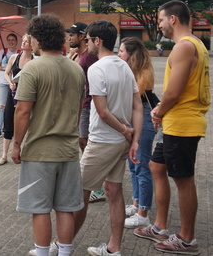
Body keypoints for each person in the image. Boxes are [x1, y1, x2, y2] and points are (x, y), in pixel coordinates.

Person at [134, 0, 211, 255]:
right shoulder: (194, 44)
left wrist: (157, 110)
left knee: (183, 178)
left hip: (182, 124)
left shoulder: (184, 47)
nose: (160, 25)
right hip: (175, 123)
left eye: (161, 20)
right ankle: (160, 226)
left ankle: (187, 238)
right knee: (157, 166)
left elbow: (173, 92)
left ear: (173, 20)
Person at [11, 15, 85, 256]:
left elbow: (23, 112)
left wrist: (16, 144)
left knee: (40, 209)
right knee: (65, 208)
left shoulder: (32, 68)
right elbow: (77, 110)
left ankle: (42, 252)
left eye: (30, 37)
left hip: (40, 151)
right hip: (69, 150)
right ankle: (64, 253)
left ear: (37, 39)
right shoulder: (76, 69)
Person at [73, 20, 143, 256]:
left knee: (78, 192)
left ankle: (62, 244)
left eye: (88, 39)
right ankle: (114, 248)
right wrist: (133, 140)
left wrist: (126, 132)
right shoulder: (124, 66)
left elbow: (102, 111)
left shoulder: (96, 69)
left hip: (103, 141)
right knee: (114, 191)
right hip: (121, 143)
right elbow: (137, 106)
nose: (86, 42)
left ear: (97, 41)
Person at [117, 37, 158, 229]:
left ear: (132, 55)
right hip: (131, 117)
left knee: (142, 166)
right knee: (133, 165)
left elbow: (135, 94)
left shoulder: (143, 72)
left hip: (144, 118)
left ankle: (143, 213)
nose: (119, 54)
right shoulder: (127, 70)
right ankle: (135, 203)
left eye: (122, 51)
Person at [65, 22, 104, 203]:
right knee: (83, 141)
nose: (69, 38)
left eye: (72, 34)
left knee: (86, 142)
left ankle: (97, 186)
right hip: (82, 103)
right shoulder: (78, 56)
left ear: (82, 36)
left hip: (89, 104)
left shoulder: (89, 57)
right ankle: (93, 182)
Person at [0, 34, 34, 165]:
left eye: (26, 41)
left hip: (27, 95)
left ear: (31, 44)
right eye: (22, 41)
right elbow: (6, 73)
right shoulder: (14, 57)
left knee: (26, 121)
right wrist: (10, 82)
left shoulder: (35, 60)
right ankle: (4, 155)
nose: (23, 43)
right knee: (8, 121)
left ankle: (23, 151)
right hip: (13, 93)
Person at [0, 33, 19, 137]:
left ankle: (11, 128)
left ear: (16, 42)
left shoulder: (20, 53)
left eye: (13, 40)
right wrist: (5, 68)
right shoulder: (3, 52)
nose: (11, 42)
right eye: (9, 40)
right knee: (2, 106)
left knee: (15, 107)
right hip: (3, 83)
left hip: (15, 83)